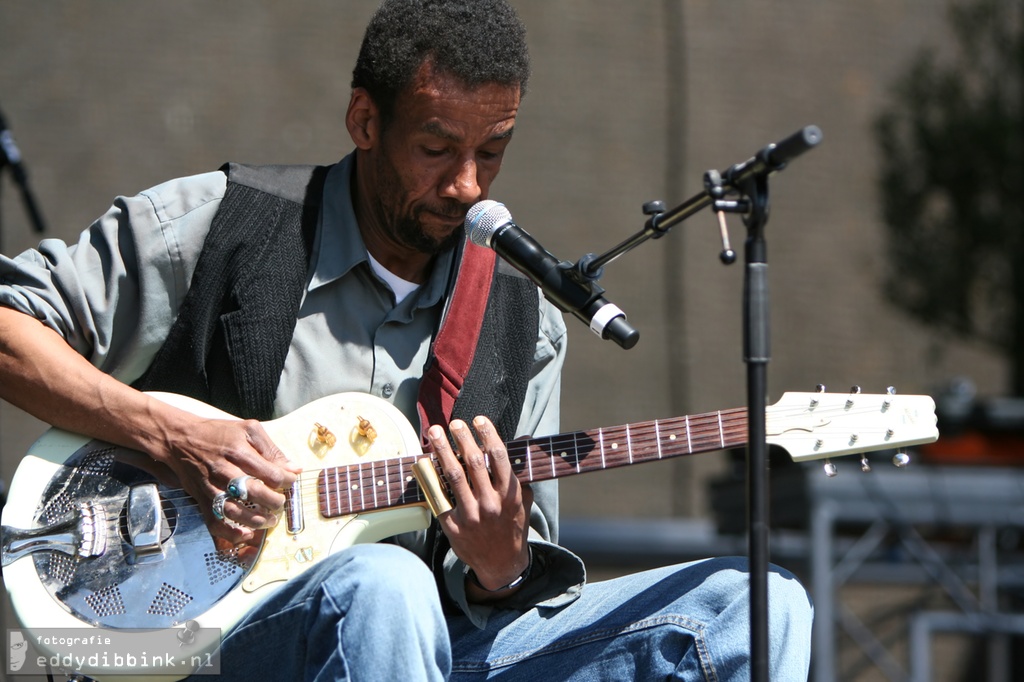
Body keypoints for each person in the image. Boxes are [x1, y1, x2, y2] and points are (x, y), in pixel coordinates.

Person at [0, 0, 813, 679]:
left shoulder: (521, 326)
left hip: (434, 651)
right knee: (382, 584)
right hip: (203, 645)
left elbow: (511, 589)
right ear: (364, 120)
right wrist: (169, 433)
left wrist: (502, 563)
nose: (466, 184)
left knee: (754, 608)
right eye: (436, 148)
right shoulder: (221, 225)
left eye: (491, 152)